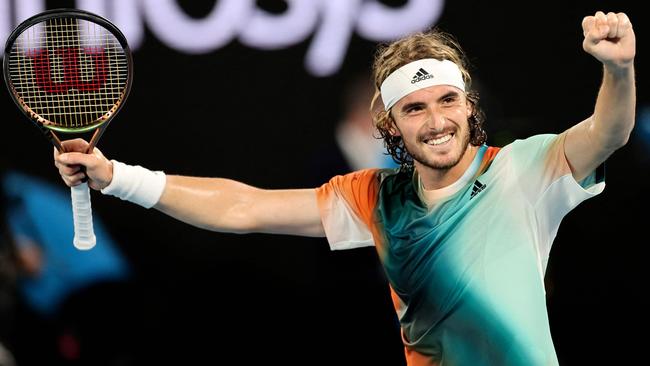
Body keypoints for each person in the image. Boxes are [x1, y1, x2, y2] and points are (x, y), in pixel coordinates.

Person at [53, 11, 635, 366]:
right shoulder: (375, 198)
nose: (436, 121)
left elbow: (609, 130)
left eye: (447, 101)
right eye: (414, 109)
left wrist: (618, 69)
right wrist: (116, 178)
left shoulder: (524, 168)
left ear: (468, 105)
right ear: (391, 125)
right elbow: (246, 208)